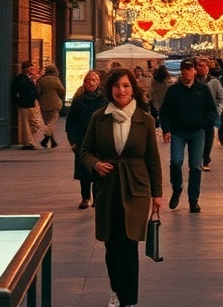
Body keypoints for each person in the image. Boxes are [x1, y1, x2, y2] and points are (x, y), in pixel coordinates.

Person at [81, 67, 162, 307]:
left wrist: (157, 193)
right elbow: (85, 151)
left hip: (136, 187)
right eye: (117, 86)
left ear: (133, 88)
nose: (121, 90)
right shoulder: (99, 117)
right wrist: (95, 165)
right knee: (111, 244)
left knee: (128, 243)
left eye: (126, 86)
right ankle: (116, 288)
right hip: (108, 187)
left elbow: (153, 158)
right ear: (110, 89)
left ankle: (128, 299)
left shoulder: (144, 119)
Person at [159, 57, 218, 213]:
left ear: (194, 71)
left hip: (197, 132)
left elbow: (212, 109)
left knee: (195, 166)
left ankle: (193, 199)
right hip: (178, 132)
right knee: (176, 161)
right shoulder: (173, 91)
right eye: (184, 69)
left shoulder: (202, 90)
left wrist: (205, 122)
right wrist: (166, 130)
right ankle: (177, 188)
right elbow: (164, 112)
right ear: (181, 71)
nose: (187, 72)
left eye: (190, 69)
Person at [65, 70, 106, 208]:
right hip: (82, 139)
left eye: (94, 80)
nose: (91, 83)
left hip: (100, 139)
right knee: (84, 171)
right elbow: (71, 121)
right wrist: (72, 139)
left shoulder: (104, 100)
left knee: (98, 169)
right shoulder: (79, 101)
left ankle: (97, 198)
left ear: (99, 82)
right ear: (84, 83)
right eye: (88, 80)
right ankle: (85, 197)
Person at [195, 57, 223, 170]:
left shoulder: (214, 82)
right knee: (197, 138)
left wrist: (217, 111)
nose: (204, 69)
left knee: (208, 138)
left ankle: (206, 159)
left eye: (206, 66)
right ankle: (198, 158)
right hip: (196, 115)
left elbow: (222, 98)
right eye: (201, 66)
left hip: (209, 114)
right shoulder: (193, 81)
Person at [11, 59, 41, 149]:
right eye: (29, 68)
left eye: (32, 68)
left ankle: (27, 140)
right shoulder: (20, 79)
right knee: (26, 124)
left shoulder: (30, 78)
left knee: (34, 124)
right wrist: (20, 101)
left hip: (30, 104)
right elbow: (15, 92)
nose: (31, 70)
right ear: (24, 69)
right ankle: (28, 143)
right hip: (24, 104)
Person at [37, 64, 65, 148]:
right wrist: (61, 98)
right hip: (55, 104)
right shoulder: (56, 80)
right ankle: (45, 140)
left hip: (44, 105)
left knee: (48, 122)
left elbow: (38, 92)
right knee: (52, 123)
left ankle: (52, 142)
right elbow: (62, 91)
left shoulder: (41, 80)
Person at [149, 63, 174, 128]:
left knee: (155, 117)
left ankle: (155, 127)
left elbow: (151, 92)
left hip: (155, 102)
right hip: (162, 102)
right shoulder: (165, 85)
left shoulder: (154, 81)